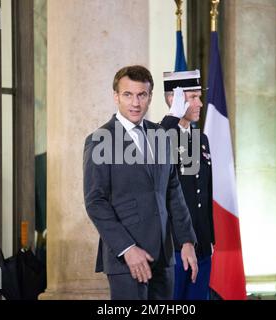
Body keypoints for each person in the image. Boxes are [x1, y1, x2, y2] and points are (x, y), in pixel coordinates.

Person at [83, 65, 198, 300]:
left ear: (150, 97)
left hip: (163, 256)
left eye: (141, 95)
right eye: (128, 95)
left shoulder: (161, 135)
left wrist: (186, 240)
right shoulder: (99, 140)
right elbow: (95, 201)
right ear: (116, 96)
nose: (135, 103)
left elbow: (173, 190)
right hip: (126, 259)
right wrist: (127, 248)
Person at [160, 70, 215, 300]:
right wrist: (172, 119)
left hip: (201, 243)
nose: (200, 103)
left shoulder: (200, 139)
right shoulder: (158, 135)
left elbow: (204, 191)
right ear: (174, 99)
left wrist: (210, 238)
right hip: (174, 246)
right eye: (193, 97)